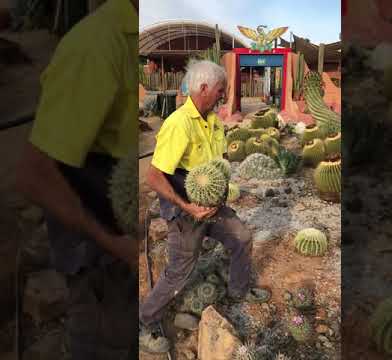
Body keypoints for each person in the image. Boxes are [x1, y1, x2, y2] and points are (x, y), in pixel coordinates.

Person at [15, 0, 139, 359]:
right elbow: (33, 174)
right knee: (106, 345)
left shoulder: (137, 36)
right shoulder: (96, 46)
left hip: (123, 241)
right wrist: (113, 243)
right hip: (99, 253)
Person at [139, 59, 271, 354]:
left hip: (212, 206)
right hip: (186, 211)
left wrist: (220, 193)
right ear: (203, 88)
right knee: (179, 272)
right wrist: (188, 206)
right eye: (220, 90)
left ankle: (239, 289)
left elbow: (217, 164)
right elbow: (154, 176)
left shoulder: (213, 120)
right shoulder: (178, 124)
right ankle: (146, 322)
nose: (223, 96)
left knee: (242, 237)